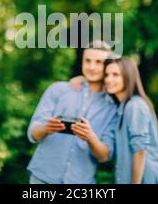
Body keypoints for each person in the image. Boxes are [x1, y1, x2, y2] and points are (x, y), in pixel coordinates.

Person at [26, 41, 119, 184]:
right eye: (87, 61)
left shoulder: (112, 108)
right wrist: (46, 128)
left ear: (107, 66)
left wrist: (90, 137)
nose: (91, 67)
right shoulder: (58, 90)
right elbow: (33, 133)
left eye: (98, 62)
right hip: (42, 178)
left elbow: (105, 156)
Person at [104, 56, 158, 184]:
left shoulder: (134, 105)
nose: (109, 79)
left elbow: (140, 151)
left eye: (115, 75)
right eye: (107, 75)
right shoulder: (122, 108)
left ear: (128, 77)